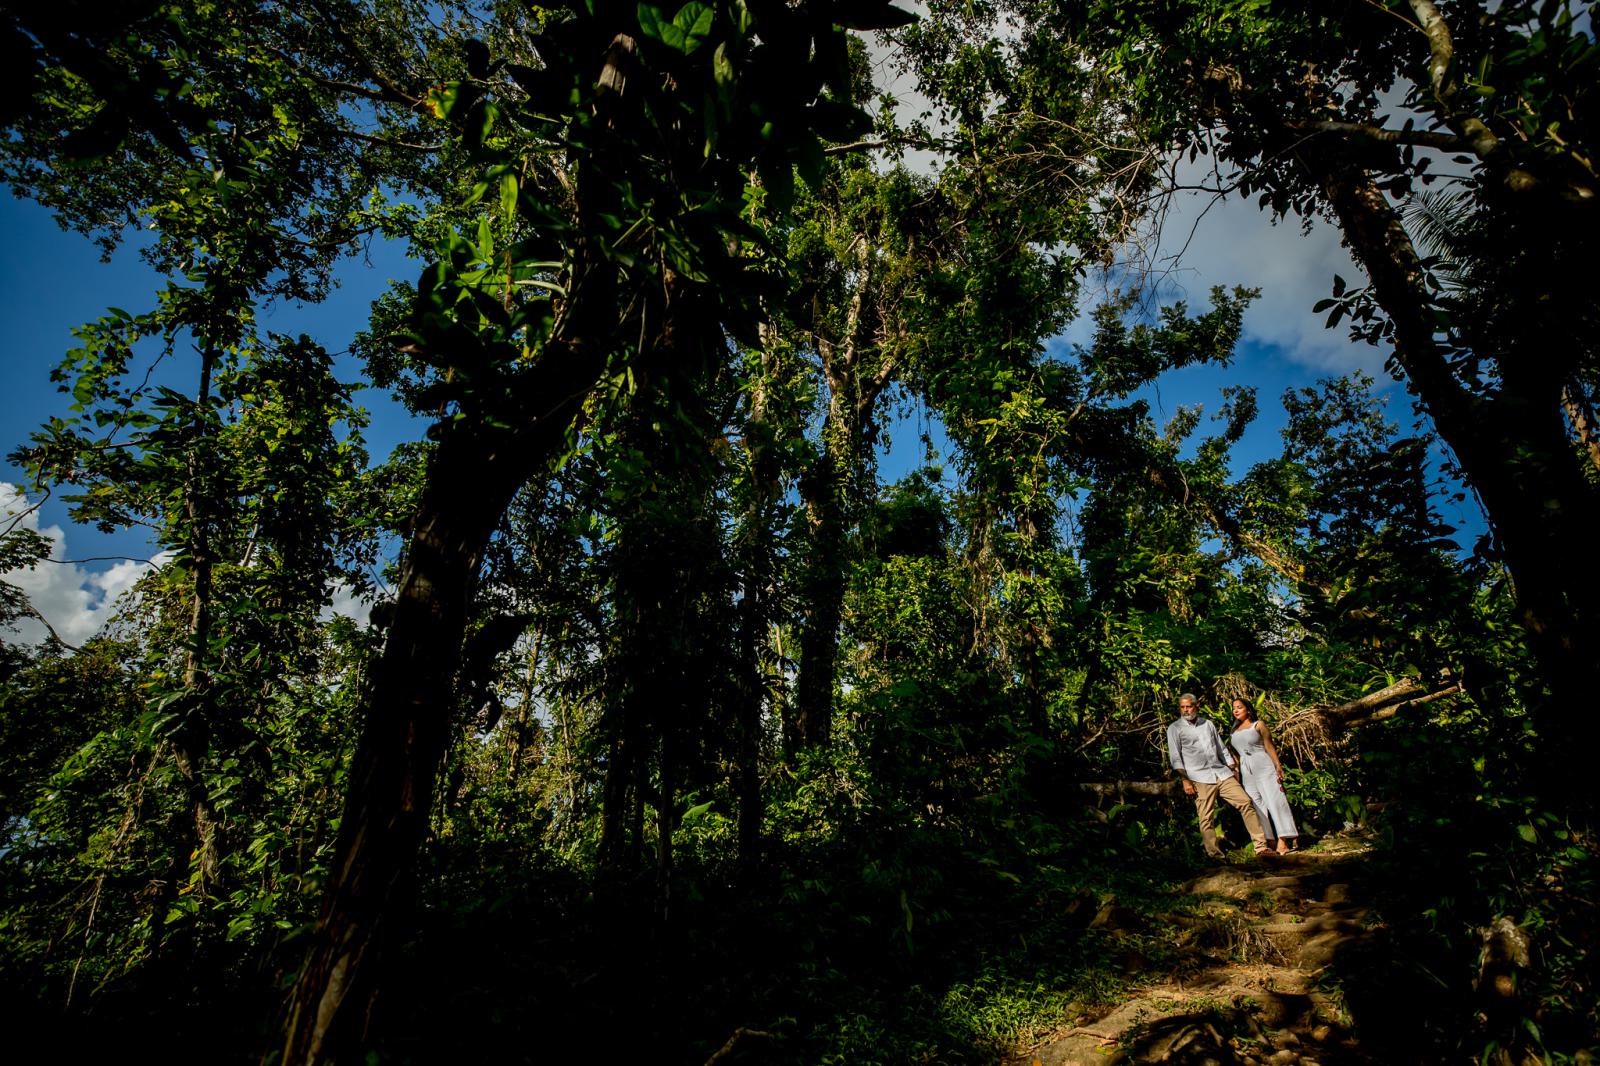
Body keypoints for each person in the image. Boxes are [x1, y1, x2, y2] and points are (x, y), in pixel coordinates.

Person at [1166, 692, 1270, 860]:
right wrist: (1185, 779)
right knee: (1206, 817)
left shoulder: (1208, 724)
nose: (1185, 710)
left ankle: (1261, 847)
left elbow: (1220, 748)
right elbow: (1175, 757)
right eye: (1182, 707)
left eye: (1189, 706)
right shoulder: (1175, 728)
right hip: (1199, 777)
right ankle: (1215, 856)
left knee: (1245, 802)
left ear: (1196, 706)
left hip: (1221, 772)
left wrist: (1232, 767)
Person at [1229, 697, 1299, 854]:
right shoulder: (1233, 731)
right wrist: (1237, 773)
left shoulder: (1258, 725)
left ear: (1248, 709)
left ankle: (1284, 839)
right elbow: (1236, 755)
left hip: (1263, 764)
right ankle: (1269, 839)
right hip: (1246, 769)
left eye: (1239, 707)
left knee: (1275, 800)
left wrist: (1278, 766)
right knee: (1255, 804)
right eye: (1234, 708)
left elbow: (1269, 746)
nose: (1236, 710)